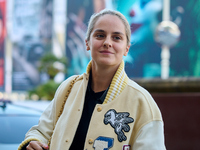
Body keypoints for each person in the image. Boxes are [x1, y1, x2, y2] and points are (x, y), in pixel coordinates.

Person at [18, 9, 166, 150]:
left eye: (116, 37)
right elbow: (41, 132)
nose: (107, 42)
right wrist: (33, 142)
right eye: (100, 35)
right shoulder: (68, 88)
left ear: (126, 48)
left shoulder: (142, 102)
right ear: (87, 42)